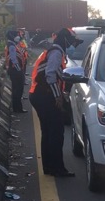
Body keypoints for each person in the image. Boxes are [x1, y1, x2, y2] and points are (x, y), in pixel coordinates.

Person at [29, 28, 83, 177]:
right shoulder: (56, 52)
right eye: (72, 42)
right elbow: (50, 74)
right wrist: (57, 96)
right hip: (44, 96)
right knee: (56, 133)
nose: (72, 45)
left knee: (47, 132)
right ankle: (57, 168)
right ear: (65, 40)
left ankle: (49, 168)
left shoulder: (54, 51)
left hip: (38, 95)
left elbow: (56, 74)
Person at [5, 30, 27, 113]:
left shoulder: (12, 44)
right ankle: (18, 108)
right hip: (15, 71)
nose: (18, 37)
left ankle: (16, 108)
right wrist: (19, 70)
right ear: (11, 36)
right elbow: (14, 59)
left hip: (13, 70)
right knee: (18, 90)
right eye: (16, 35)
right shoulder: (11, 46)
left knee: (16, 89)